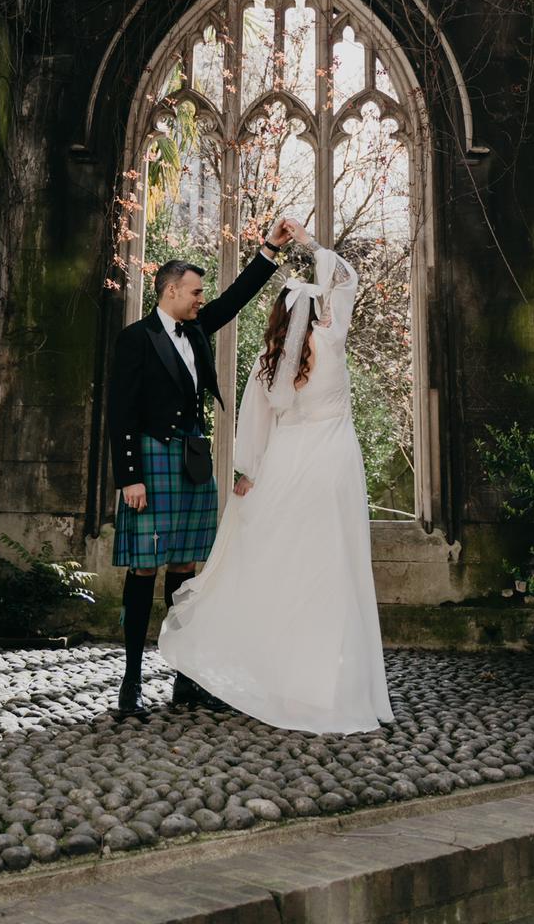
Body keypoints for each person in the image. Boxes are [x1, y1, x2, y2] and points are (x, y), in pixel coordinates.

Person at [158, 224, 394, 734]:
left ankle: (281, 677)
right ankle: (324, 685)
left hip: (285, 466)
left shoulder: (268, 364)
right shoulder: (330, 341)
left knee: (282, 570)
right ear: (317, 312)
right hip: (330, 465)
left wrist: (248, 472)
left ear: (280, 316)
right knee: (333, 572)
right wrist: (310, 243)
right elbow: (348, 279)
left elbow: (255, 424)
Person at [107, 216, 294, 715]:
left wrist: (268, 251)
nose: (199, 299)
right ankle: (131, 682)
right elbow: (120, 411)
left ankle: (186, 679)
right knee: (144, 571)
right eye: (193, 291)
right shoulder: (136, 339)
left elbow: (235, 300)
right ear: (169, 291)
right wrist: (129, 477)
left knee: (187, 574)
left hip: (191, 462)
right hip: (150, 460)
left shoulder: (196, 331)